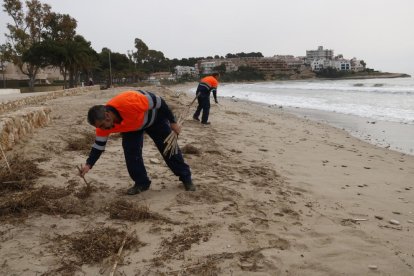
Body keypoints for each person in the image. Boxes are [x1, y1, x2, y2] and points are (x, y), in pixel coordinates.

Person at [79, 89, 196, 195]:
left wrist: (172, 122)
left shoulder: (130, 101)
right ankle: (142, 183)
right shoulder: (102, 126)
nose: (103, 129)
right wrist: (89, 164)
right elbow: (98, 146)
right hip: (132, 127)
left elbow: (159, 102)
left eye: (103, 125)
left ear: (107, 116)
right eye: (100, 127)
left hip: (155, 119)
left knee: (169, 148)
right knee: (131, 153)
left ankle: (186, 178)